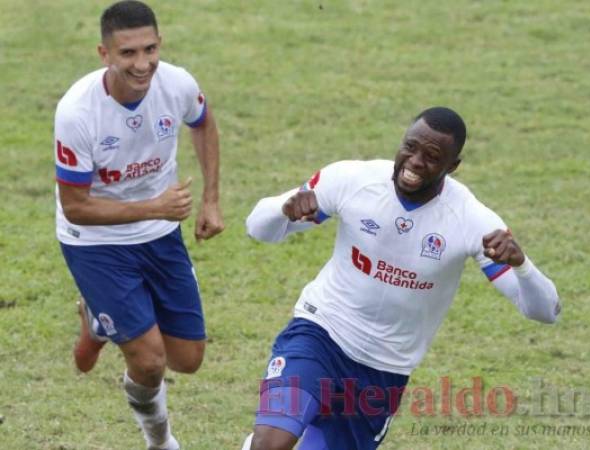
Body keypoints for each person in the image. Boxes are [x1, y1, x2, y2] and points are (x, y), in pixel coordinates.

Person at [242, 106, 561, 450]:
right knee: (270, 444)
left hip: (382, 371)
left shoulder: (471, 220)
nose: (415, 162)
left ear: (452, 167)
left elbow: (545, 310)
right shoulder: (353, 180)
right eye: (410, 147)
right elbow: (258, 229)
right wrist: (283, 208)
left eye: (432, 156)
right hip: (319, 334)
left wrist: (522, 265)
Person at [54, 1, 223, 449]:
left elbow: (204, 124)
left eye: (150, 49)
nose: (142, 63)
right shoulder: (77, 113)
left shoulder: (177, 84)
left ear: (160, 44)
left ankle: (98, 321)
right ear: (104, 54)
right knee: (150, 362)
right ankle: (160, 440)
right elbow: (75, 207)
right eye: (128, 53)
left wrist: (210, 200)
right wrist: (155, 206)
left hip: (159, 232)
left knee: (187, 360)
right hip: (95, 243)